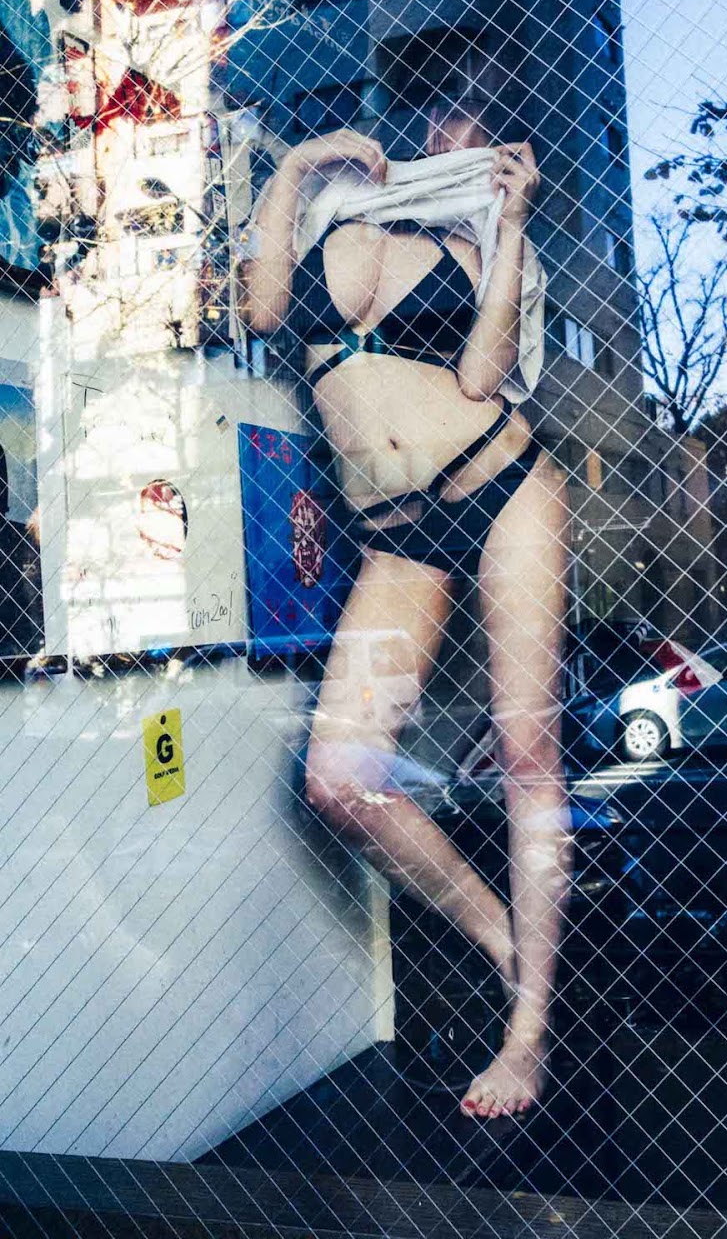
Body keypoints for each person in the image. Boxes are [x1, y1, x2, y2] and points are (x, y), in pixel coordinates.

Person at [242, 100, 572, 1122]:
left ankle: (527, 1033)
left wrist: (508, 225)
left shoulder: (481, 247)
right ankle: (502, 936)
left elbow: (482, 374)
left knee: (525, 749)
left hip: (501, 484)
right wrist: (295, 166)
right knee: (339, 779)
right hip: (397, 540)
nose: (445, 140)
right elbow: (262, 311)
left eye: (471, 130)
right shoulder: (330, 215)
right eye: (434, 121)